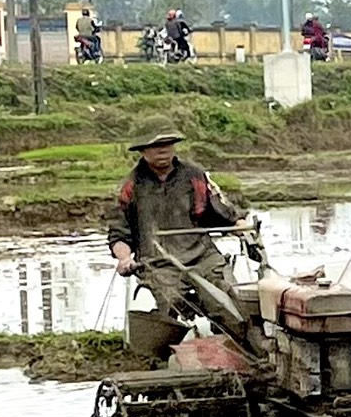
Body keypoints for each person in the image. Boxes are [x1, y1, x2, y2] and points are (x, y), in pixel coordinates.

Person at [105, 131, 252, 357]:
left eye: (167, 144)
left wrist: (242, 226)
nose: (162, 150)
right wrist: (125, 258)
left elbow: (224, 214)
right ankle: (166, 362)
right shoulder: (131, 186)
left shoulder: (195, 176)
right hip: (159, 262)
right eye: (155, 146)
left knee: (227, 301)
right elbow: (119, 233)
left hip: (202, 255)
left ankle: (245, 354)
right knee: (169, 305)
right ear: (143, 151)